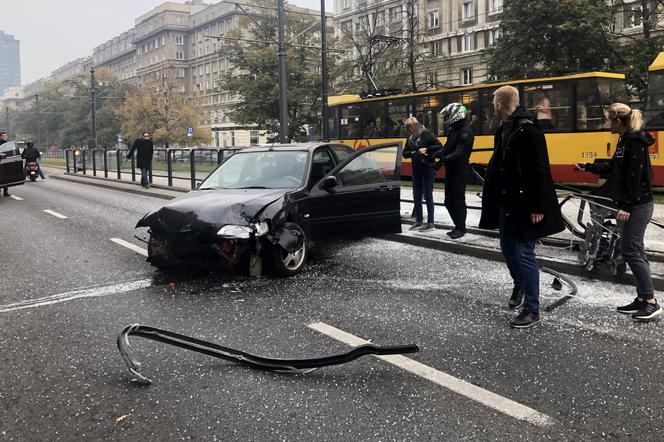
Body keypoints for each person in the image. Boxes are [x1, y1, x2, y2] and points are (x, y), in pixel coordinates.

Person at [479, 85, 565, 328]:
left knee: (524, 253)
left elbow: (540, 171)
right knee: (508, 248)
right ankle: (521, 284)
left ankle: (532, 308)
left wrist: (538, 206)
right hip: (507, 202)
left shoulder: (528, 131)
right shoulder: (503, 129)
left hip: (526, 204)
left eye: (493, 103)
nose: (492, 106)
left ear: (499, 105)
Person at [576, 103, 661, 321]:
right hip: (634, 204)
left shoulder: (633, 143)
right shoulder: (625, 141)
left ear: (617, 121)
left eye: (607, 120)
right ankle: (642, 298)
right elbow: (614, 168)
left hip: (638, 205)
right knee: (633, 249)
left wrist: (627, 206)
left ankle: (651, 302)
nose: (606, 124)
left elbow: (635, 177)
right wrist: (588, 166)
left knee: (631, 250)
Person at [434, 103, 474, 239]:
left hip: (460, 170)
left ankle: (461, 228)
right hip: (451, 169)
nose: (446, 119)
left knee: (457, 199)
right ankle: (457, 225)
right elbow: (447, 147)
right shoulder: (453, 130)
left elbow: (460, 153)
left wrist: (442, 160)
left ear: (456, 115)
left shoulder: (465, 131)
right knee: (448, 201)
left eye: (448, 116)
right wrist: (436, 154)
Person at [403, 116, 441, 231]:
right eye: (411, 126)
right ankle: (419, 221)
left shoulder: (427, 134)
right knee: (417, 196)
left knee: (428, 196)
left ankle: (431, 223)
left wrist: (427, 150)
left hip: (428, 169)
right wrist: (415, 153)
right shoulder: (410, 138)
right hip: (416, 170)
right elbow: (405, 153)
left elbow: (439, 146)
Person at [0, 131, 9, 196]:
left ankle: (5, 192)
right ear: (0, 137)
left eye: (5, 136)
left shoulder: (8, 144)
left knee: (6, 176)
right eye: (3, 136)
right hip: (0, 161)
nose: (4, 137)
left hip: (6, 161)